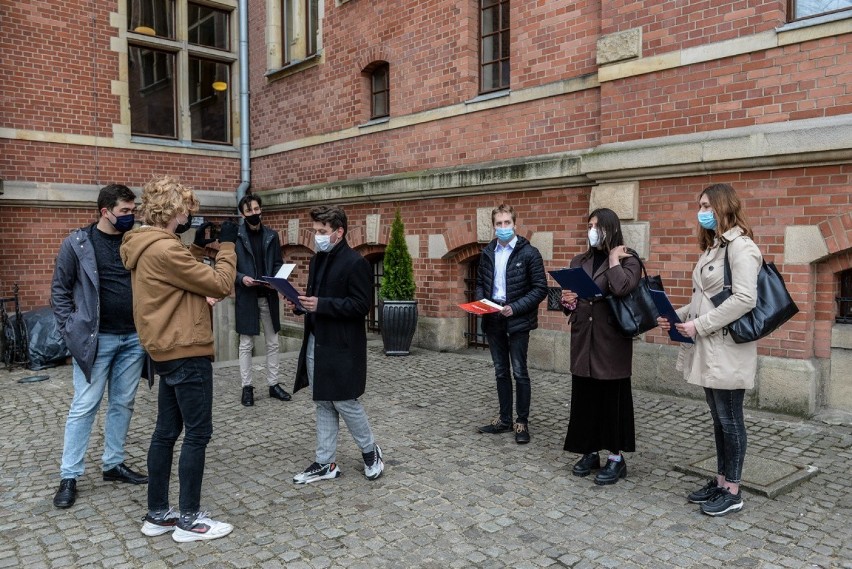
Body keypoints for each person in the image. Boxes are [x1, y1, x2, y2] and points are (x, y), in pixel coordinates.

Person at [120, 175, 238, 542]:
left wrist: (195, 299)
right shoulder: (165, 249)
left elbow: (167, 295)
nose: (190, 215)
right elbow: (221, 283)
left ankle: (158, 514)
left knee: (166, 432)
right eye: (187, 208)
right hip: (186, 350)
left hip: (165, 349)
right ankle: (189, 520)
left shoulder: (144, 245)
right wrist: (229, 247)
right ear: (173, 210)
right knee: (198, 433)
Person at [657, 183, 761, 516]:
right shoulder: (713, 247)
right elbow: (705, 298)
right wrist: (678, 317)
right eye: (699, 205)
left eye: (706, 205)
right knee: (718, 419)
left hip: (728, 348)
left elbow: (746, 299)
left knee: (731, 420)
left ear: (723, 206)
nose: (701, 211)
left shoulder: (741, 247)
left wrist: (698, 326)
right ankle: (720, 481)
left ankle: (734, 489)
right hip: (710, 346)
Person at [51, 183, 148, 510]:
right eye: (124, 212)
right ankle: (69, 476)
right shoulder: (77, 244)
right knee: (85, 405)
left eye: (132, 211)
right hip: (95, 340)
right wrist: (70, 330)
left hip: (133, 338)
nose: (129, 217)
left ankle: (113, 463)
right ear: (105, 211)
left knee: (124, 402)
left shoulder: (134, 240)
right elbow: (60, 292)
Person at [290, 205, 384, 484]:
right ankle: (325, 462)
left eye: (322, 231)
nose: (317, 236)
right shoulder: (318, 259)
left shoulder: (357, 263)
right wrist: (300, 305)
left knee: (345, 401)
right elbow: (314, 298)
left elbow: (360, 306)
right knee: (323, 401)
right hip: (317, 341)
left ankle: (371, 452)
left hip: (342, 345)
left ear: (339, 232)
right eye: (316, 231)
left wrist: (321, 304)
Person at [559, 208, 640, 485]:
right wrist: (566, 300)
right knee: (585, 398)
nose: (591, 230)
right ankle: (589, 451)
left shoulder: (629, 260)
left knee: (611, 400)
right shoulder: (579, 259)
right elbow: (567, 300)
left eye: (597, 226)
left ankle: (616, 459)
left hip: (611, 341)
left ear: (610, 229)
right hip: (584, 339)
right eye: (589, 225)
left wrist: (614, 259)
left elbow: (621, 288)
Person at [475, 204, 548, 444]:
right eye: (499, 224)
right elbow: (479, 282)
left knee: (520, 372)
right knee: (500, 371)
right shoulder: (487, 253)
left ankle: (521, 423)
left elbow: (540, 289)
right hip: (493, 318)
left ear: (515, 224)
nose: (503, 228)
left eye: (507, 223)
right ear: (493, 226)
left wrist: (515, 307)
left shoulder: (529, 253)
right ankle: (504, 419)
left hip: (518, 320)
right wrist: (481, 302)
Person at [234, 194, 291, 407]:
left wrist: (277, 278)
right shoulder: (236, 236)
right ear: (242, 213)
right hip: (247, 296)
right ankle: (247, 387)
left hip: (268, 294)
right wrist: (242, 278)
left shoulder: (271, 235)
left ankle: (273, 384)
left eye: (257, 209)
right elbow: (228, 269)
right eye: (249, 211)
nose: (254, 214)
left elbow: (277, 262)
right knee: (246, 344)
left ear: (261, 209)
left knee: (273, 342)